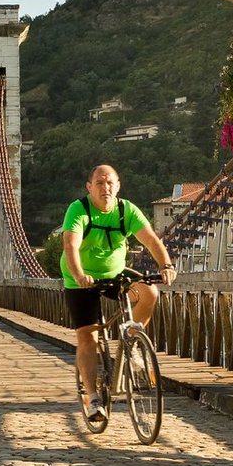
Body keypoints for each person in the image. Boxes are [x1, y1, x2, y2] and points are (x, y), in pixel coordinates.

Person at [61, 164, 176, 422]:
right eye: (99, 183)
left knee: (149, 292)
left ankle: (133, 340)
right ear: (89, 187)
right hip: (80, 280)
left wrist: (165, 265)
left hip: (115, 274)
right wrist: (79, 275)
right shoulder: (78, 210)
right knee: (88, 336)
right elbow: (70, 244)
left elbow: (151, 240)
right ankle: (93, 398)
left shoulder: (126, 210)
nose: (106, 187)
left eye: (110, 182)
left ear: (118, 185)